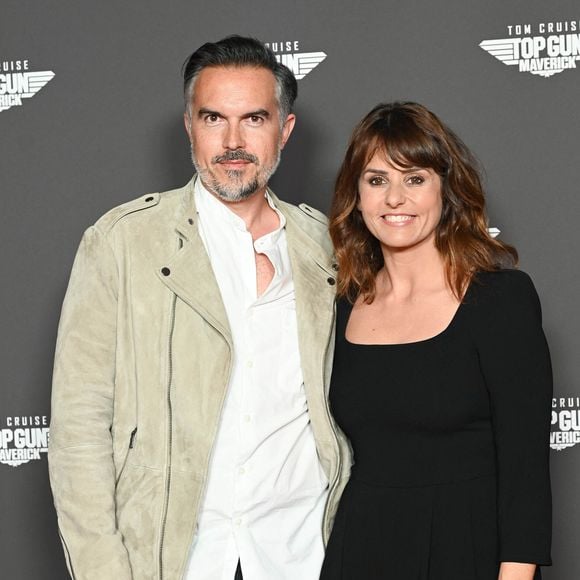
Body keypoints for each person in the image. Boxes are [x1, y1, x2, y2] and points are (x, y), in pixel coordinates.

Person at [48, 36, 351, 580]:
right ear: (189, 126)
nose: (233, 141)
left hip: (300, 557)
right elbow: (79, 429)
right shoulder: (123, 242)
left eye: (254, 119)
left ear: (284, 130)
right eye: (214, 118)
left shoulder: (325, 247)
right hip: (172, 562)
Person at [320, 102, 552, 580]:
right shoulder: (339, 304)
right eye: (377, 180)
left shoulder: (499, 300)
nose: (394, 199)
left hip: (466, 549)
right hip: (359, 547)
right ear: (356, 197)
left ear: (446, 191)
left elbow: (525, 472)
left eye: (415, 178)